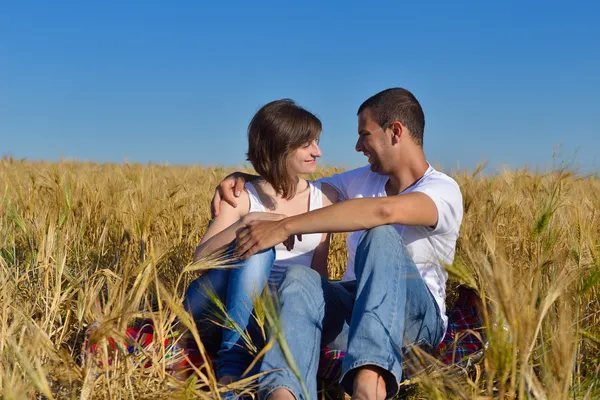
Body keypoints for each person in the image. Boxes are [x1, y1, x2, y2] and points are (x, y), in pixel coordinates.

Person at [212, 88, 464, 400]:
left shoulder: (443, 190)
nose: (358, 146)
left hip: (415, 323)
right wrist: (244, 179)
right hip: (354, 314)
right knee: (299, 279)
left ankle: (367, 385)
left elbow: (384, 211)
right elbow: (289, 182)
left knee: (380, 232)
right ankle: (283, 393)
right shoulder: (361, 180)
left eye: (364, 134)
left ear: (395, 132)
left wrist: (284, 227)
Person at [184, 99, 338, 389]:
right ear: (281, 147)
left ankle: (238, 364)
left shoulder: (324, 199)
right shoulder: (242, 196)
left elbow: (319, 274)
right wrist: (246, 224)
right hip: (217, 311)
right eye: (307, 145)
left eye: (316, 142)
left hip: (273, 318)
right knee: (259, 243)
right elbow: (198, 262)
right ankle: (232, 361)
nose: (318, 151)